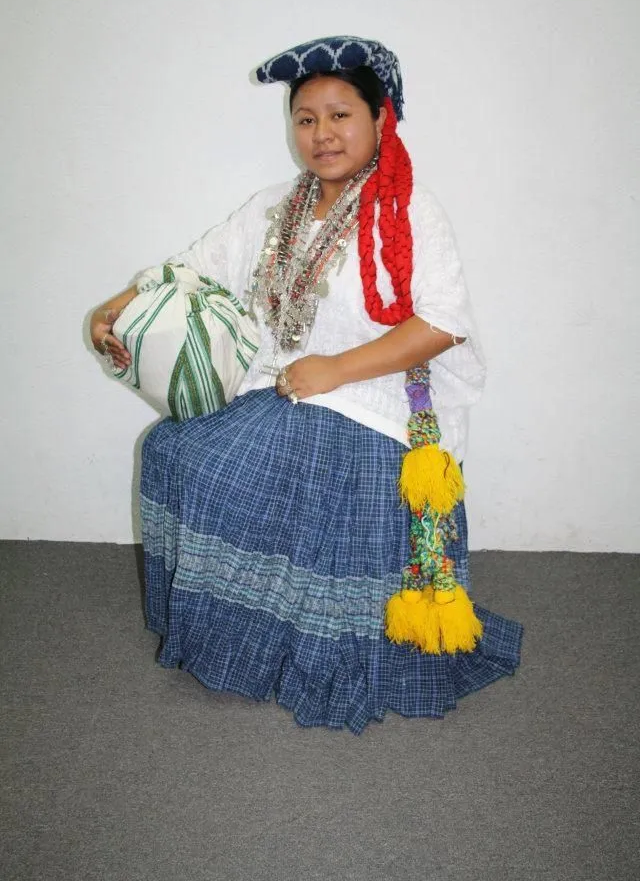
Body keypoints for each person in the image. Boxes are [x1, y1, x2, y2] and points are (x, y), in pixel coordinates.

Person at [90, 36, 522, 733]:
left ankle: (308, 643)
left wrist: (334, 370)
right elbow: (190, 270)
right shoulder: (272, 207)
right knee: (176, 452)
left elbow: (443, 325)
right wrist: (117, 310)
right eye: (306, 118)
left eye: (340, 114)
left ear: (381, 119)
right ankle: (244, 633)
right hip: (287, 389)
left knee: (284, 460)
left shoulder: (409, 208)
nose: (322, 134)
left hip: (377, 402)